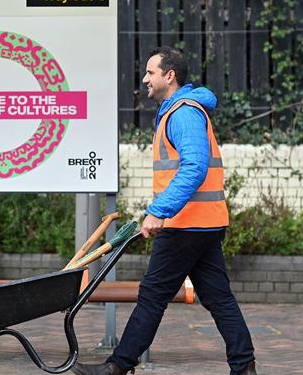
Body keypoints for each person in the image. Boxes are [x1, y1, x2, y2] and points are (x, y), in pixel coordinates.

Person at [72, 46, 256, 375]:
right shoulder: (181, 110)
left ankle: (117, 366)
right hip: (204, 223)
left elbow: (195, 167)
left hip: (185, 225)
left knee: (153, 296)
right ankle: (244, 367)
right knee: (218, 298)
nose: (145, 79)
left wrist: (159, 210)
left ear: (169, 76)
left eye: (150, 72)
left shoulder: (183, 113)